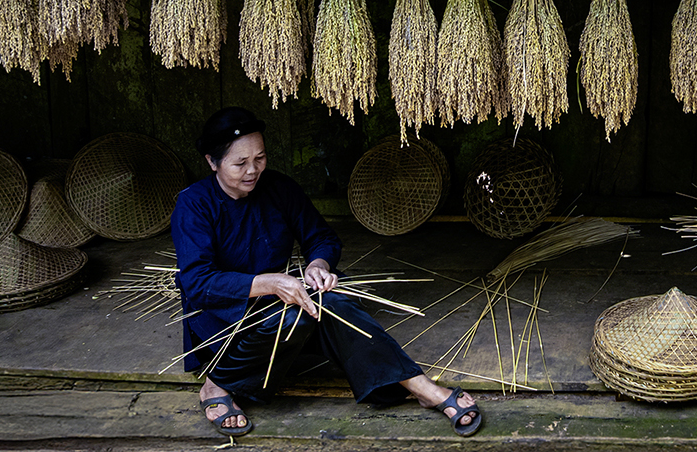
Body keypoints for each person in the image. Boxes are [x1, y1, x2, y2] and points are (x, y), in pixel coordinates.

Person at [171, 106, 483, 438]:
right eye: (240, 163)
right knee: (299, 315)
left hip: (281, 300)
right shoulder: (193, 204)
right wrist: (270, 283)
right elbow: (198, 283)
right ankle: (217, 384)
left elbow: (320, 237)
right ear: (212, 162)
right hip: (225, 318)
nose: (253, 170)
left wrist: (317, 266)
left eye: (259, 158)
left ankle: (417, 385)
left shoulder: (279, 188)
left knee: (331, 295)